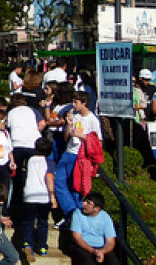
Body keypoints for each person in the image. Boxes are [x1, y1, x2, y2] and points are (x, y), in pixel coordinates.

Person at [55, 91, 102, 222]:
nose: (73, 105)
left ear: (84, 103)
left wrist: (83, 136)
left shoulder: (92, 120)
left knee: (76, 186)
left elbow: (98, 142)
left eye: (76, 102)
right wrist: (69, 125)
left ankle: (76, 215)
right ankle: (72, 211)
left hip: (81, 156)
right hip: (69, 152)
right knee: (59, 182)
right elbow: (66, 138)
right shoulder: (75, 116)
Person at [21, 138, 57, 261]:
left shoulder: (30, 160)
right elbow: (49, 178)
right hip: (43, 196)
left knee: (28, 221)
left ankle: (27, 243)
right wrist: (52, 196)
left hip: (29, 194)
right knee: (42, 221)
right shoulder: (50, 162)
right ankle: (42, 246)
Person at [67, 192, 120, 265]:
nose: (83, 204)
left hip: (101, 248)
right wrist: (92, 250)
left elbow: (110, 241)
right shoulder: (77, 214)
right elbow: (77, 238)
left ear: (97, 209)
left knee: (114, 261)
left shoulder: (105, 217)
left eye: (88, 203)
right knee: (87, 261)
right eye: (84, 201)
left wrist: (102, 252)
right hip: (82, 247)